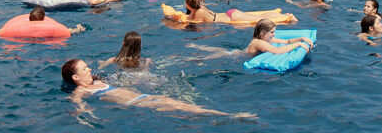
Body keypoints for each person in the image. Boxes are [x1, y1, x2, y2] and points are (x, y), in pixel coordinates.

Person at [61, 59, 254, 118]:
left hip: (143, 98)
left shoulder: (95, 82)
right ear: (76, 78)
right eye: (85, 69)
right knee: (181, 106)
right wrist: (89, 118)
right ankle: (227, 115)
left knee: (180, 109)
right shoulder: (82, 91)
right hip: (139, 103)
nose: (90, 69)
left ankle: (214, 117)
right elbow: (79, 107)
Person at [185, 0, 295, 23]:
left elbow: (192, 21)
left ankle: (287, 16)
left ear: (188, 5)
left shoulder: (199, 13)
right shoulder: (201, 8)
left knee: (258, 19)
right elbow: (189, 17)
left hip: (233, 18)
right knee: (257, 16)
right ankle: (277, 14)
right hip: (231, 13)